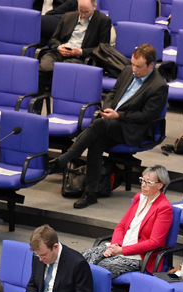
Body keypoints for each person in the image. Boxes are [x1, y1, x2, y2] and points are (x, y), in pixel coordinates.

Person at [48, 43, 168, 209]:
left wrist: (118, 115)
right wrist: (108, 107)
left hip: (132, 128)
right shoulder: (127, 71)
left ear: (151, 65)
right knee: (96, 142)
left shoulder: (159, 86)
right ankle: (91, 194)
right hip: (112, 121)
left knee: (99, 125)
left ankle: (67, 158)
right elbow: (113, 92)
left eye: (138, 67)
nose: (134, 69)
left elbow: (146, 116)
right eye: (133, 64)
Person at [81, 165, 173, 278]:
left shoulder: (164, 208)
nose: (143, 185)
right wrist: (115, 245)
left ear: (160, 185)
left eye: (148, 182)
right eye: (142, 180)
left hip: (139, 255)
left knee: (102, 267)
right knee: (85, 256)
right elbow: (121, 226)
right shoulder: (139, 197)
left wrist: (122, 250)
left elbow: (154, 242)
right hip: (120, 245)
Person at [38, 0, 111, 88]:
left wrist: (81, 52)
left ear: (94, 7)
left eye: (86, 12)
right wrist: (59, 47)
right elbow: (53, 39)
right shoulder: (68, 16)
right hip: (60, 52)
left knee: (65, 69)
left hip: (80, 57)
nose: (83, 15)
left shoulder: (103, 21)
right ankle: (38, 99)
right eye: (80, 11)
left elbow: (103, 48)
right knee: (44, 67)